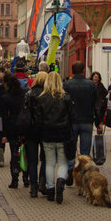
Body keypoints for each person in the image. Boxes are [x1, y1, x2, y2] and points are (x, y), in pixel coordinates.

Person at [36, 71, 73, 204]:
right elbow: (71, 117)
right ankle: (61, 181)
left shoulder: (42, 98)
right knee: (63, 162)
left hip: (47, 133)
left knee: (50, 162)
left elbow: (38, 119)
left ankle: (51, 190)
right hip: (63, 134)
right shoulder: (66, 97)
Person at [63, 62, 101, 174]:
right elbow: (97, 106)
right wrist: (98, 122)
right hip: (87, 121)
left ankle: (70, 169)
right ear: (84, 70)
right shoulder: (92, 85)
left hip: (71, 121)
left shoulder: (66, 85)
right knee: (85, 152)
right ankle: (83, 173)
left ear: (73, 70)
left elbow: (63, 104)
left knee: (71, 148)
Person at [23, 71, 48, 198]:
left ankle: (33, 187)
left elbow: (25, 111)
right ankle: (43, 183)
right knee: (45, 159)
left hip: (30, 130)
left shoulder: (29, 93)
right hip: (45, 130)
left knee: (32, 160)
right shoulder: (48, 94)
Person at [3, 73, 28, 188]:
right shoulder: (25, 94)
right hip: (25, 127)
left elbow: (5, 117)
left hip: (12, 128)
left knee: (14, 154)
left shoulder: (7, 97)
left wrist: (4, 134)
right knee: (25, 153)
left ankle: (14, 180)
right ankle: (26, 179)